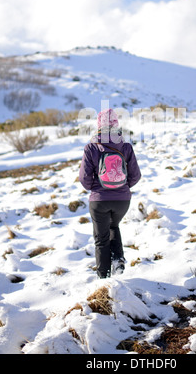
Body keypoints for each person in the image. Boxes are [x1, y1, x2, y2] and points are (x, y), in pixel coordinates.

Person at [79, 108, 141, 278]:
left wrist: (98, 188)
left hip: (99, 201)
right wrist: (122, 187)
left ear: (99, 126)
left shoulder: (91, 148)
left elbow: (84, 179)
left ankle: (103, 279)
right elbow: (136, 176)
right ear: (116, 125)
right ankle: (118, 260)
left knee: (101, 239)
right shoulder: (126, 147)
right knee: (114, 225)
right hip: (123, 201)